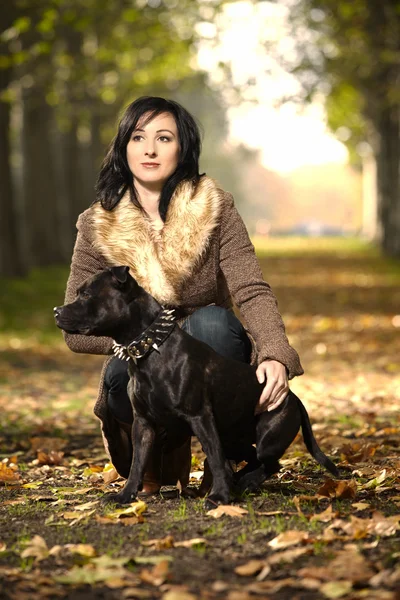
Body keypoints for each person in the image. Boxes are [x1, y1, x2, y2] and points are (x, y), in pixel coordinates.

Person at [63, 96, 304, 494]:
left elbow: (251, 288)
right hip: (137, 359)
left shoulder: (215, 207)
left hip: (206, 351)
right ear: (124, 147)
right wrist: (144, 343)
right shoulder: (96, 224)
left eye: (164, 137)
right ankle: (157, 452)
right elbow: (76, 324)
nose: (150, 149)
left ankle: (222, 453)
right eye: (138, 137)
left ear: (183, 148)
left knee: (213, 325)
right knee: (122, 381)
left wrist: (276, 353)